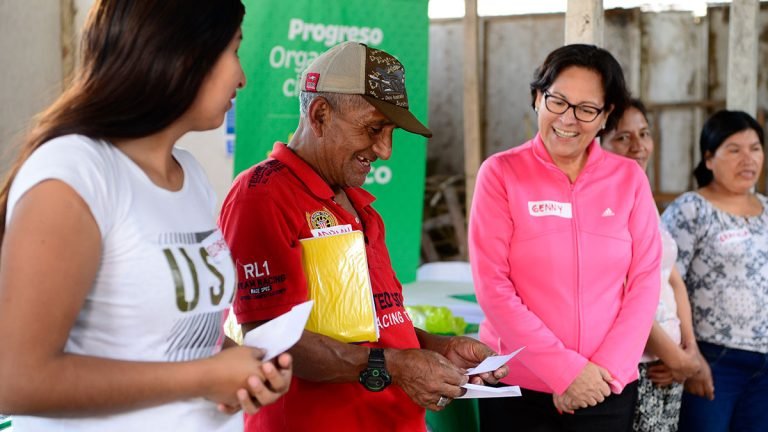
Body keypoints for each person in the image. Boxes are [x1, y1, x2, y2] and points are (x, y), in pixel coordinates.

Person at [0, 1, 292, 430]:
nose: (242, 76)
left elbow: (172, 341)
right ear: (183, 53)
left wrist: (242, 364)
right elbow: (16, 379)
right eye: (234, 49)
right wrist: (203, 377)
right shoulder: (76, 172)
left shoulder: (190, 175)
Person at [218, 41, 508, 432]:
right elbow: (270, 342)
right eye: (373, 129)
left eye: (390, 133)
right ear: (320, 115)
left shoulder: (361, 208)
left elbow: (375, 324)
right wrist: (394, 366)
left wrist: (435, 347)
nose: (385, 150)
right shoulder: (262, 194)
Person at [468, 44, 662, 432]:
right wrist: (564, 371)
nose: (568, 120)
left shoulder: (629, 181)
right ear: (538, 98)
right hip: (518, 385)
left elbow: (645, 282)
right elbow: (493, 286)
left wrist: (600, 374)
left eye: (587, 109)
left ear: (606, 116)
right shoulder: (501, 174)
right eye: (557, 101)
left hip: (604, 387)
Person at [661, 109, 768, 432]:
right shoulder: (691, 209)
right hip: (713, 359)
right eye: (734, 149)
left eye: (755, 148)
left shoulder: (767, 208)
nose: (747, 159)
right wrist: (688, 357)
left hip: (764, 365)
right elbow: (663, 285)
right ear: (709, 158)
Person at [602, 99, 703, 432]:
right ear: (597, 142)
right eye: (622, 137)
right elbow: (622, 296)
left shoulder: (641, 195)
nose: (638, 146)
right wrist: (678, 359)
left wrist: (689, 347)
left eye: (644, 134)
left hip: (667, 362)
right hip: (638, 364)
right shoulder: (602, 203)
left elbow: (671, 278)